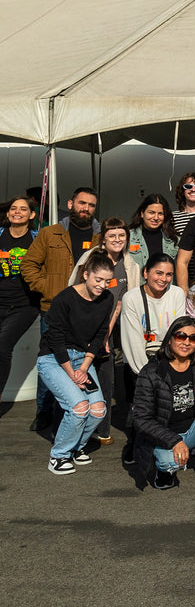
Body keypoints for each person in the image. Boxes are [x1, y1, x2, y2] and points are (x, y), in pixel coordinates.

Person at [21, 186, 100, 432]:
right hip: (54, 310)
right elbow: (28, 265)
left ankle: (80, 410)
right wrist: (49, 290)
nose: (85, 208)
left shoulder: (100, 236)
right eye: (81, 203)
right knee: (51, 360)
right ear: (70, 204)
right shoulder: (49, 233)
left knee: (83, 362)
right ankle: (44, 411)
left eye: (91, 205)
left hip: (88, 312)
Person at [131, 315, 195, 494]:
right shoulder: (152, 372)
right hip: (164, 435)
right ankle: (163, 472)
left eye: (193, 338)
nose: (186, 342)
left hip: (193, 429)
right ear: (170, 340)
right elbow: (141, 419)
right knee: (168, 463)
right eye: (180, 336)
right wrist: (174, 440)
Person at [36, 251, 114, 474]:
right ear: (86, 274)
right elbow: (55, 338)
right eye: (98, 279)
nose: (102, 285)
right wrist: (72, 373)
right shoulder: (65, 298)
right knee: (79, 407)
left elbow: (101, 333)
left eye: (107, 281)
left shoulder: (107, 299)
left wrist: (84, 367)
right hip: (53, 359)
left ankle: (77, 447)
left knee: (98, 410)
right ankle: (59, 455)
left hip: (82, 358)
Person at [69, 216, 138, 444]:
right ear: (104, 238)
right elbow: (75, 291)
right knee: (80, 378)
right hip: (84, 328)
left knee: (107, 380)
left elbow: (123, 303)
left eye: (122, 235)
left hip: (112, 330)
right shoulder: (90, 259)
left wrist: (106, 334)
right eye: (112, 236)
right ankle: (75, 428)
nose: (117, 240)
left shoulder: (131, 265)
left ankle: (101, 430)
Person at [118, 253, 186, 464]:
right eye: (158, 273)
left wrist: (172, 367)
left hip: (168, 357)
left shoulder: (176, 294)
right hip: (140, 361)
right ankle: (135, 442)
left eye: (168, 275)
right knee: (141, 407)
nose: (163, 279)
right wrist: (148, 376)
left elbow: (179, 331)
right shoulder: (132, 298)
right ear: (146, 273)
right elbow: (132, 341)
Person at [0, 196, 40, 417]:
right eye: (13, 208)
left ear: (31, 215)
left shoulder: (36, 239)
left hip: (24, 306)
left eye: (23, 209)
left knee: (2, 347)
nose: (17, 212)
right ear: (8, 214)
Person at [125, 194, 178, 270]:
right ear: (142, 214)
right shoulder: (128, 237)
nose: (156, 218)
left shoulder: (173, 239)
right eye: (151, 212)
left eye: (160, 214)